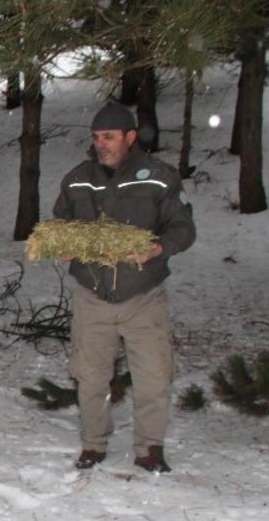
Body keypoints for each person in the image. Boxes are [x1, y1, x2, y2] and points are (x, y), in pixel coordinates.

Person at [53, 101, 196, 474]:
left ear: (130, 137)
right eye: (97, 137)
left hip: (143, 296)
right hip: (93, 295)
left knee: (153, 375)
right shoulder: (77, 179)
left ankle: (150, 448)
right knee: (90, 375)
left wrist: (159, 248)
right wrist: (61, 245)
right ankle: (93, 444)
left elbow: (183, 226)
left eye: (109, 137)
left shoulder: (159, 178)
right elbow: (60, 222)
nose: (101, 144)